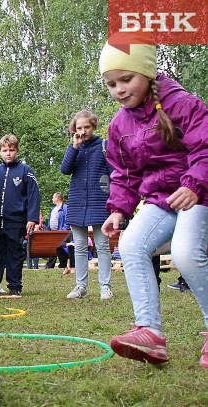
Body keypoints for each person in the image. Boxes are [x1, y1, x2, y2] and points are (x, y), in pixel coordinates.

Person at [99, 35, 208, 367]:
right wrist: (118, 208)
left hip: (198, 193)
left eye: (126, 79)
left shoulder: (183, 104)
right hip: (161, 200)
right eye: (111, 83)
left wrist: (194, 186)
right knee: (130, 244)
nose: (119, 89)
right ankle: (150, 333)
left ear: (146, 72)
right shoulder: (119, 124)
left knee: (186, 254)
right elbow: (124, 174)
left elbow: (204, 150)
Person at [61, 110, 114, 300]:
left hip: (100, 203)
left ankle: (105, 287)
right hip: (77, 203)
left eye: (86, 127)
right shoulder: (74, 148)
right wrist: (74, 147)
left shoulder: (104, 146)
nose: (83, 131)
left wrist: (114, 201)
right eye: (79, 128)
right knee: (80, 246)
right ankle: (80, 287)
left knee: (102, 245)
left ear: (93, 126)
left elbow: (113, 174)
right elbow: (65, 169)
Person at [0, 134, 40, 296]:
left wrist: (32, 218)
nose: (8, 153)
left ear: (17, 151)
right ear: (0, 152)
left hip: (16, 221)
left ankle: (15, 286)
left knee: (15, 255)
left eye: (11, 150)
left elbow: (33, 195)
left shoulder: (26, 171)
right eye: (4, 150)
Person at [43, 192, 70, 268]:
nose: (52, 199)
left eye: (53, 197)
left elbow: (67, 221)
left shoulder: (65, 208)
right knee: (53, 247)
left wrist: (63, 230)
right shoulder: (53, 209)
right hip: (52, 232)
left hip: (60, 232)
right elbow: (50, 221)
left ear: (57, 198)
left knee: (60, 247)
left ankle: (61, 263)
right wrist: (47, 231)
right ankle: (51, 264)